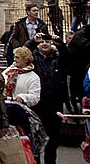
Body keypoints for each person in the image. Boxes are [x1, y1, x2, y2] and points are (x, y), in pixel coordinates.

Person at [25, 33, 67, 164]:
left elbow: (68, 54)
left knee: (53, 137)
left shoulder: (58, 58)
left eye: (47, 41)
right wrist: (32, 41)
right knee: (35, 135)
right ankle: (35, 160)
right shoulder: (33, 58)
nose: (44, 44)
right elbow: (23, 51)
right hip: (37, 103)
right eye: (42, 41)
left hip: (55, 102)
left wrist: (60, 42)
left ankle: (50, 161)